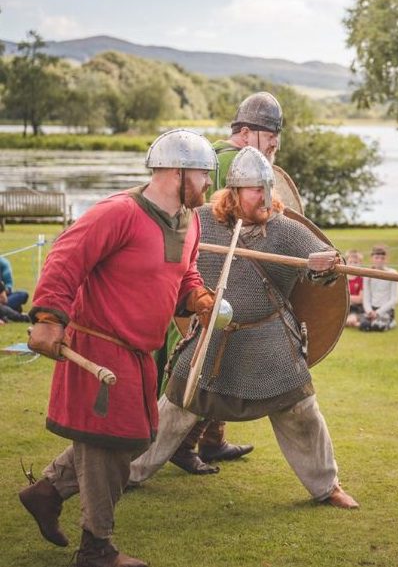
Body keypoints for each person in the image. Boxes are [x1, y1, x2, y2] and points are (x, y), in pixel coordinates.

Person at [18, 129, 217, 567]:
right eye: (203, 174)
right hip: (100, 349)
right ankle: (96, 549)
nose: (208, 184)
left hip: (141, 354)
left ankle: (46, 492)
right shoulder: (118, 212)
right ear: (177, 171)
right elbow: (66, 256)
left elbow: (186, 272)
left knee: (125, 442)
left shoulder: (190, 220)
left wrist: (198, 297)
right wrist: (49, 318)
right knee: (109, 446)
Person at [130, 147, 358, 510]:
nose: (264, 197)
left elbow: (326, 268)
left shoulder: (285, 230)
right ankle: (129, 471)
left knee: (303, 413)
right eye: (255, 189)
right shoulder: (201, 222)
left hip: (271, 343)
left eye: (267, 189)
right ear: (234, 192)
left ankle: (326, 486)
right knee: (174, 408)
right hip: (213, 335)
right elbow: (168, 253)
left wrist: (325, 265)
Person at [163, 91, 283, 475]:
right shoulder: (233, 162)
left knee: (223, 360)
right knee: (209, 363)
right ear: (246, 133)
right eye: (269, 139)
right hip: (212, 274)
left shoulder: (207, 157)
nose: (273, 148)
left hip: (202, 270)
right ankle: (178, 446)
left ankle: (212, 442)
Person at [359, 245, 398, 331]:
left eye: (382, 258)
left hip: (385, 310)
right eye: (377, 258)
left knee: (378, 326)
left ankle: (390, 322)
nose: (379, 260)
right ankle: (374, 321)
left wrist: (378, 313)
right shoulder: (367, 274)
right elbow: (366, 297)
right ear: (372, 258)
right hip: (372, 309)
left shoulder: (393, 273)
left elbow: (394, 299)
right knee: (364, 325)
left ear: (386, 259)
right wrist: (369, 311)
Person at [345, 249, 365, 328]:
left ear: (360, 264)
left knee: (351, 321)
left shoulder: (361, 279)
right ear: (346, 263)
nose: (353, 264)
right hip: (344, 307)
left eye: (355, 262)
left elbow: (360, 299)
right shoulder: (343, 278)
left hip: (355, 308)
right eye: (350, 262)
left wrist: (346, 297)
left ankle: (359, 322)